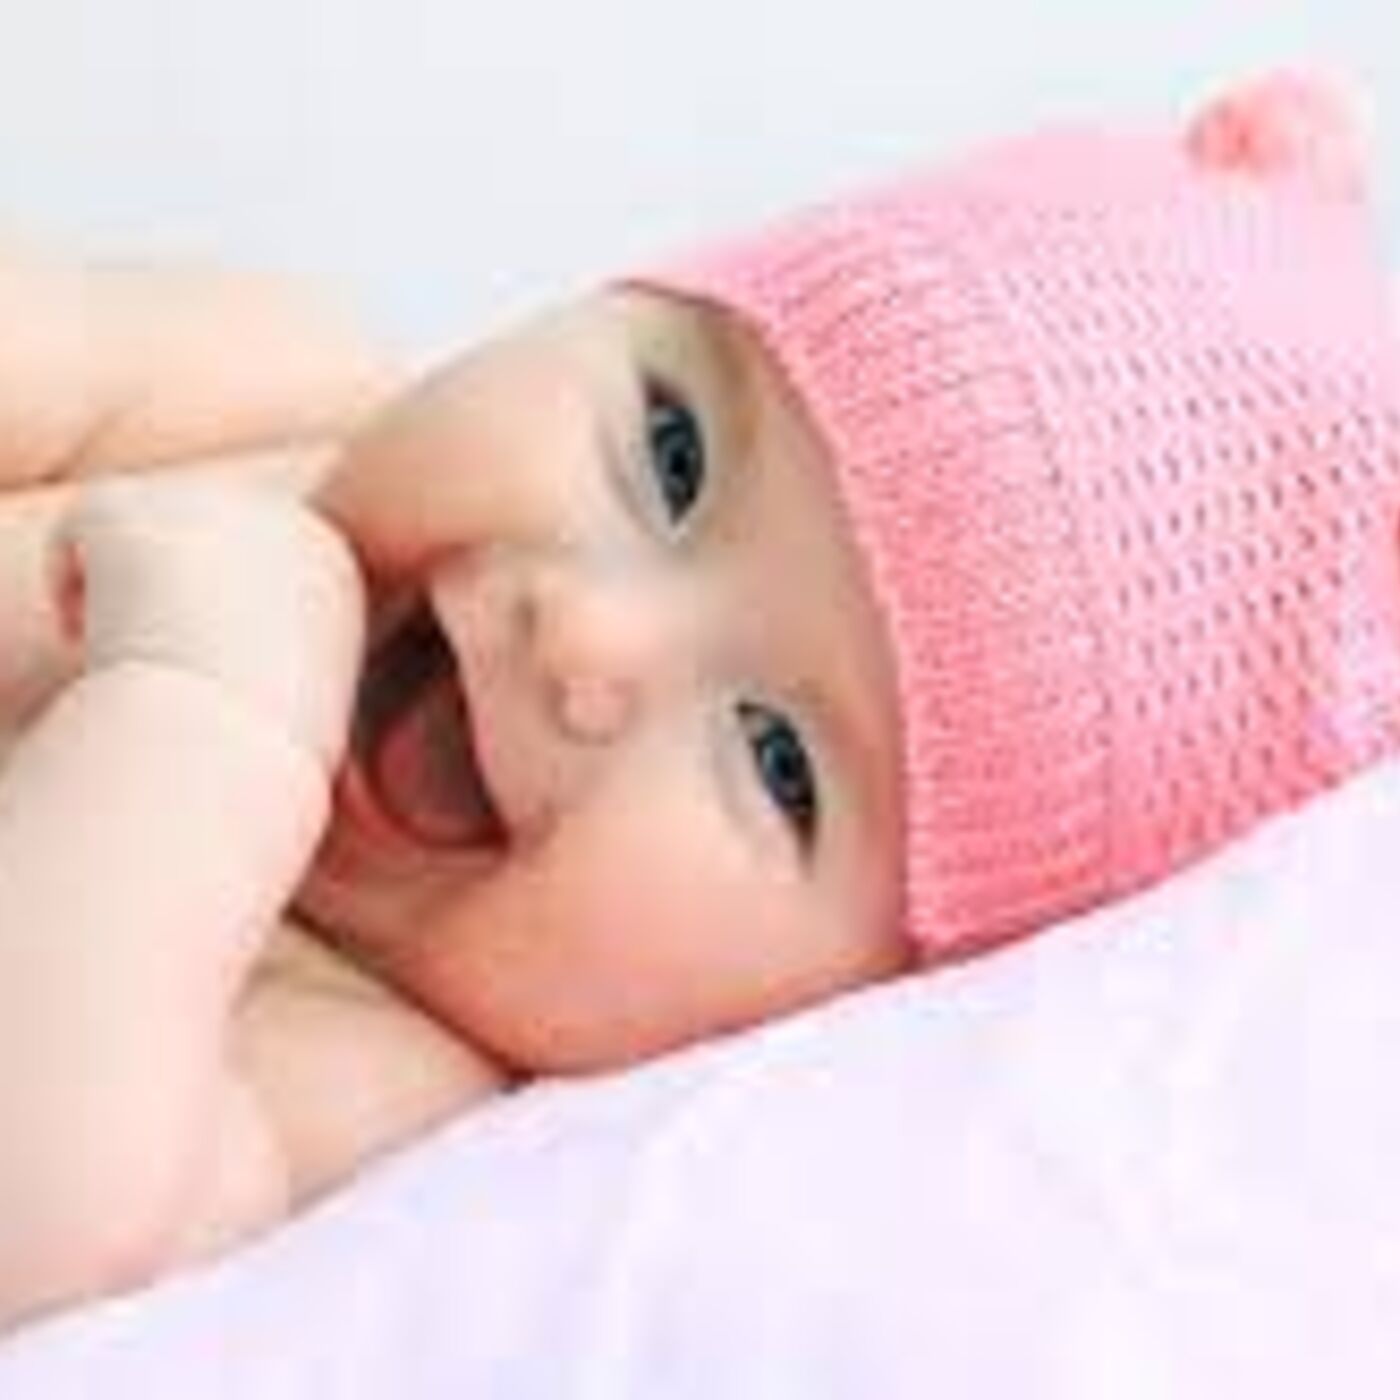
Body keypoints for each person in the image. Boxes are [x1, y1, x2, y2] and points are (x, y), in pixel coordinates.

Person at [4, 70, 1400, 1330]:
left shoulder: (362, 1063)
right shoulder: (257, 384)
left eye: (780, 763)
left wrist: (199, 715)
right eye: (670, 454)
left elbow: (34, 1213)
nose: (591, 640)